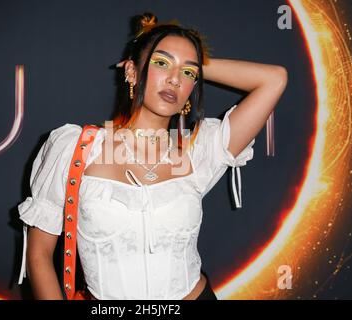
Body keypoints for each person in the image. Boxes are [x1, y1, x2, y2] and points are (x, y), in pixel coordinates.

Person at [16, 12, 288, 300]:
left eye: (188, 73)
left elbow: (274, 79)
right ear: (131, 72)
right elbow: (39, 255)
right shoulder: (77, 147)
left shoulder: (198, 148)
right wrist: (178, 64)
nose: (174, 80)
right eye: (161, 63)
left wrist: (194, 65)